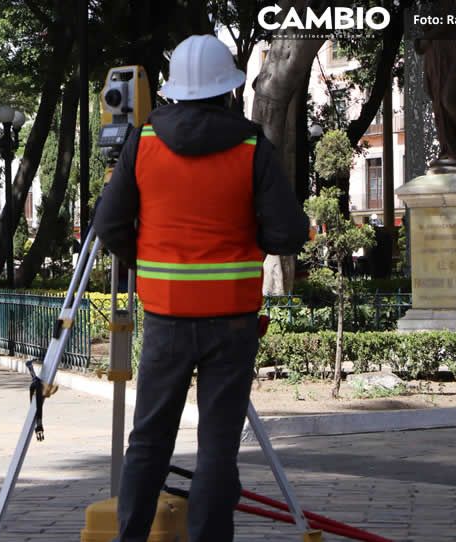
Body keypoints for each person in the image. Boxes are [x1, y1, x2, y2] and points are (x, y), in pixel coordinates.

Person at [92, 35, 309, 542]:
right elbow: (289, 232)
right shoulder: (252, 146)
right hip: (232, 323)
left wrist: (145, 258)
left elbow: (109, 224)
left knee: (148, 441)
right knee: (216, 449)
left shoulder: (142, 143)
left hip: (166, 318)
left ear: (175, 92)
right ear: (227, 90)